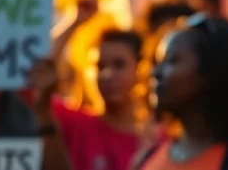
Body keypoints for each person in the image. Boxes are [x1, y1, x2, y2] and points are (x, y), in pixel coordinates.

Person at [136, 14, 228, 170]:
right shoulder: (146, 160)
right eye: (157, 63)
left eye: (173, 61)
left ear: (211, 71)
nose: (155, 73)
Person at [46, 30, 150, 170]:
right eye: (99, 66)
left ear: (141, 70)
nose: (107, 75)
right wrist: (76, 21)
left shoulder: (160, 138)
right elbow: (35, 81)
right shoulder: (77, 124)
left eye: (119, 65)